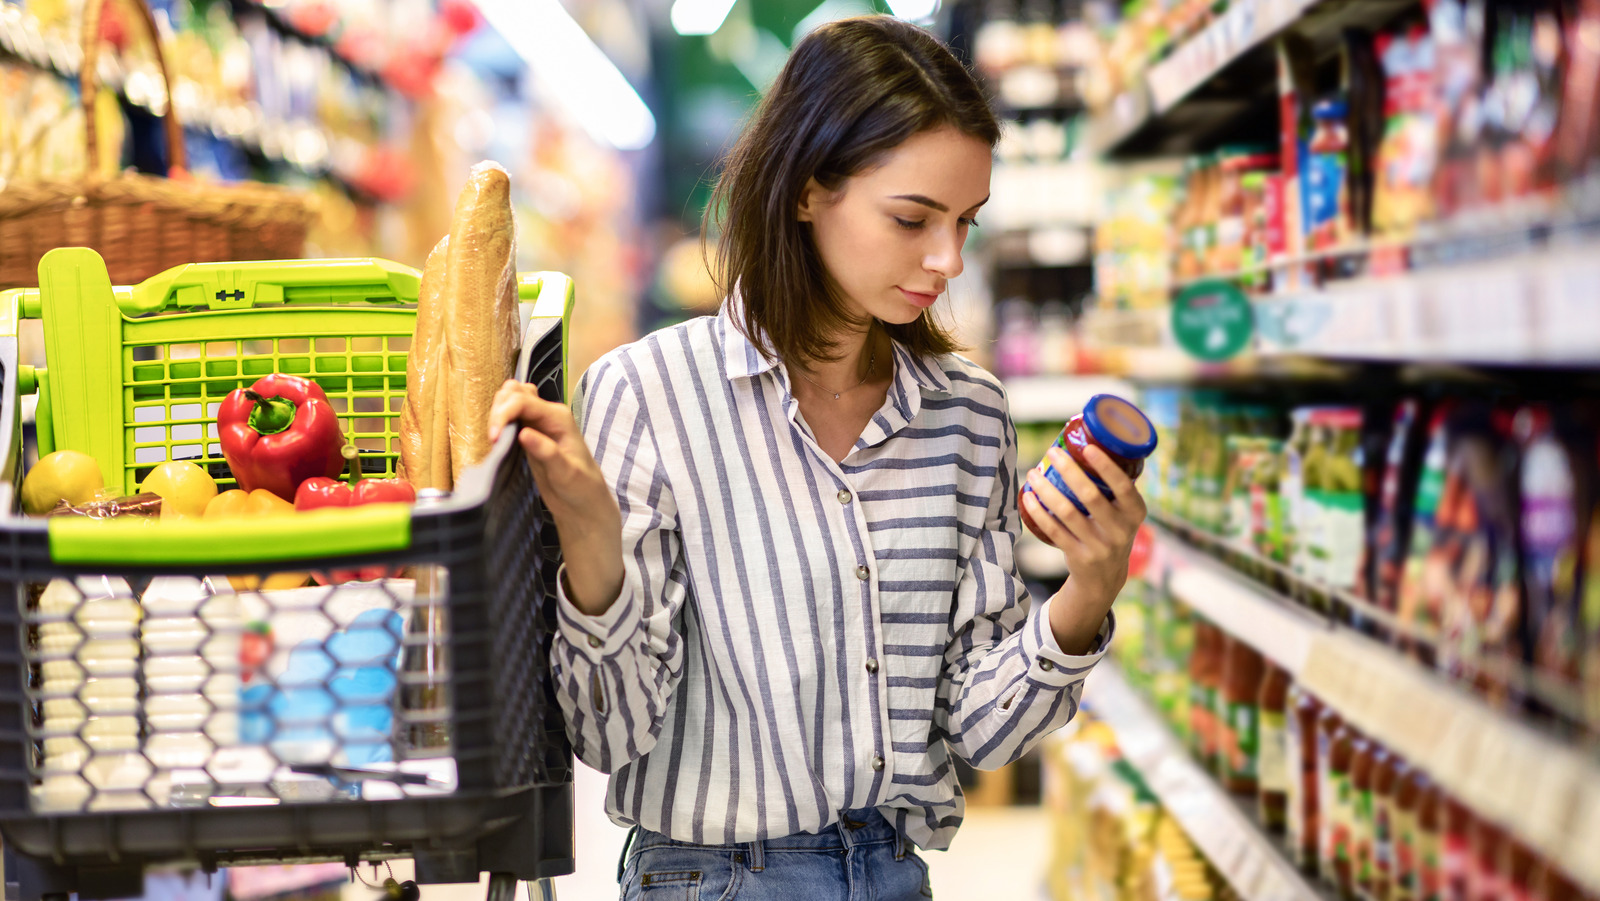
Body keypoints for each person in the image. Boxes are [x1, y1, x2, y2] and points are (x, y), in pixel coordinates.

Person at [487, 15, 1146, 900]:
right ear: (805, 189)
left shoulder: (966, 412)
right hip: (709, 878)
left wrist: (1085, 594)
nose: (947, 258)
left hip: (893, 873)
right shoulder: (650, 393)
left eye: (966, 222)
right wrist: (595, 551)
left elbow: (978, 733)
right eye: (912, 218)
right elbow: (610, 737)